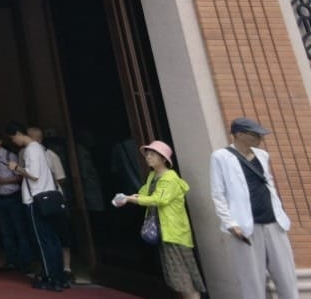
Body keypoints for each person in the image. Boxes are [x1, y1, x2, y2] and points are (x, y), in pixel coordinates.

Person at [209, 116, 297, 299]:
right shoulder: (221, 157)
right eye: (254, 134)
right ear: (238, 134)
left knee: (286, 275)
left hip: (274, 222)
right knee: (252, 279)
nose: (259, 138)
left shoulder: (262, 155)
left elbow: (269, 183)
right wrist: (230, 223)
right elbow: (218, 193)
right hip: (246, 226)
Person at [115, 140, 205, 299]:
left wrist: (131, 200)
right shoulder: (152, 176)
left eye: (153, 154)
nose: (148, 157)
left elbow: (158, 199)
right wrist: (127, 198)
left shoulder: (169, 178)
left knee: (183, 277)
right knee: (177, 276)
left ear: (164, 159)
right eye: (147, 154)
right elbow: (144, 194)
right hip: (165, 231)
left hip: (174, 233)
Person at [6, 122, 67, 292]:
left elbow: (33, 175)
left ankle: (50, 277)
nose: (14, 142)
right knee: (53, 239)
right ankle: (59, 275)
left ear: (18, 134)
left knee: (43, 241)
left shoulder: (30, 150)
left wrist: (16, 168)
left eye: (13, 138)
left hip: (36, 200)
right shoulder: (39, 148)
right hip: (48, 199)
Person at [0, 130, 31, 273]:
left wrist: (2, 181)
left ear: (0, 141)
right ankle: (11, 261)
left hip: (13, 196)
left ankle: (25, 263)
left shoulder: (9, 156)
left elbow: (20, 176)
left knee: (20, 230)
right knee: (6, 231)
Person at [31, 126, 74, 280]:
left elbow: (61, 178)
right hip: (37, 200)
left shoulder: (51, 156)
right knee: (45, 236)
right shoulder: (26, 154)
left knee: (62, 235)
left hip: (54, 199)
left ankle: (66, 268)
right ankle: (49, 268)